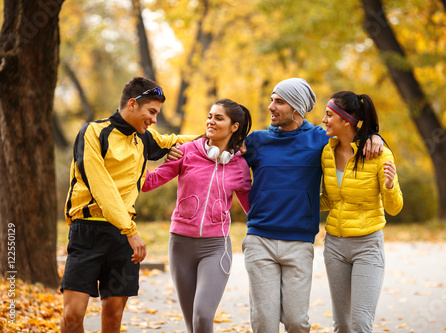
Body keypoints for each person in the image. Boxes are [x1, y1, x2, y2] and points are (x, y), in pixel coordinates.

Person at [241, 78, 385, 333]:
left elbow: (349, 137)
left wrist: (375, 136)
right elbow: (222, 149)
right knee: (264, 322)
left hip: (299, 241)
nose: (270, 106)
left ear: (296, 108)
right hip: (259, 238)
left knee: (297, 322)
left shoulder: (320, 140)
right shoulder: (256, 141)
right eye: (272, 99)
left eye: (279, 101)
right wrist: (180, 149)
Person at [60, 77, 195, 333]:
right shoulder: (93, 132)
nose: (154, 119)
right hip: (88, 231)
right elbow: (101, 186)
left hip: (122, 241)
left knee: (113, 315)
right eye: (151, 112)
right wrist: (130, 231)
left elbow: (177, 140)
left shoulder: (143, 139)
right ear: (132, 104)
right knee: (72, 316)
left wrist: (225, 137)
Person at [142, 98, 252, 333]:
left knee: (203, 315)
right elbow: (148, 183)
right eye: (210, 116)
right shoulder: (186, 151)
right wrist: (136, 157)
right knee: (192, 323)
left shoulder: (239, 166)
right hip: (180, 244)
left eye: (219, 118)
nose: (211, 121)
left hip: (215, 247)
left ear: (234, 127)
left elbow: (253, 209)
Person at [320, 91, 403, 332]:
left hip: (367, 246)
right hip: (335, 245)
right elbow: (329, 200)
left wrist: (389, 185)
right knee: (342, 324)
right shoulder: (326, 151)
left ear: (346, 120)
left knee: (360, 323)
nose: (323, 120)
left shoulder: (379, 154)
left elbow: (395, 208)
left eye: (328, 115)